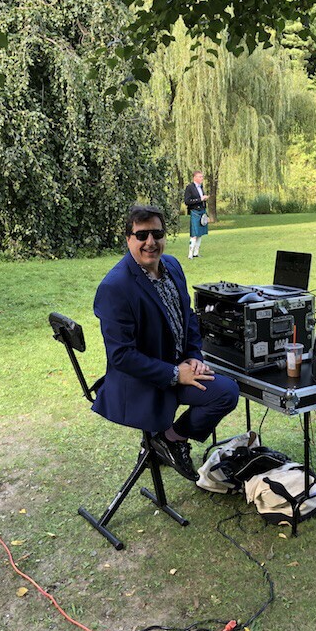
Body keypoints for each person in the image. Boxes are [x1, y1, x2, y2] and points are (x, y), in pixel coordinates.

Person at [92, 205, 239, 481]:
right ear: (128, 240)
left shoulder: (172, 265)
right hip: (141, 382)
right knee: (226, 392)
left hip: (179, 366)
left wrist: (195, 354)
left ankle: (169, 439)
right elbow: (121, 356)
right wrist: (175, 374)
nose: (151, 242)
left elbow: (188, 318)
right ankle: (165, 443)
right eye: (142, 235)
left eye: (157, 233)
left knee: (226, 392)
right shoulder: (115, 287)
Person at [184, 170, 210, 259]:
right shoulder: (189, 187)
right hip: (194, 212)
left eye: (202, 177)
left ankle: (196, 253)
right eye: (200, 176)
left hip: (202, 211)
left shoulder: (201, 187)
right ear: (195, 178)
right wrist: (200, 199)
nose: (202, 178)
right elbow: (187, 201)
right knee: (194, 234)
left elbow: (202, 200)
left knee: (200, 234)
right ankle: (190, 254)